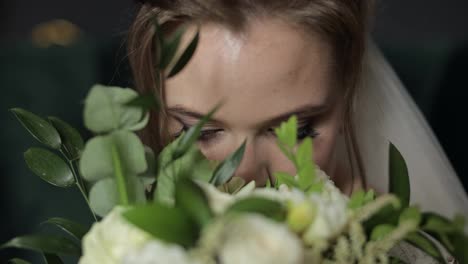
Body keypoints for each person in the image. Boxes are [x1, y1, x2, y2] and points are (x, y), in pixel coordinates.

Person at [128, 0, 467, 222]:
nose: (244, 172)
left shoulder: (398, 247)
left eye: (296, 129)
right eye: (197, 131)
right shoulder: (123, 241)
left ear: (348, 95)